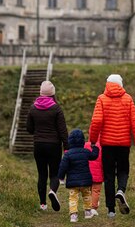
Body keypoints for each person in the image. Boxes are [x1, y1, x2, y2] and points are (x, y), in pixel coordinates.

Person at [88, 74, 135, 218]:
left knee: (109, 175)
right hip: (124, 144)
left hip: (107, 144)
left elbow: (96, 121)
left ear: (107, 84)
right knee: (123, 170)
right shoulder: (128, 99)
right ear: (121, 84)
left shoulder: (102, 99)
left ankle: (111, 210)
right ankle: (121, 191)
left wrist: (93, 140)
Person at [26, 80, 69, 211]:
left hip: (38, 145)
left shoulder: (33, 108)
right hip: (54, 146)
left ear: (41, 93)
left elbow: (29, 129)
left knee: (42, 174)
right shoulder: (56, 108)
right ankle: (52, 192)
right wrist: (66, 146)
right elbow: (62, 130)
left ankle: (43, 204)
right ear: (52, 94)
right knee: (54, 174)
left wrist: (38, 131)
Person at [57, 128, 99, 223]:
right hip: (85, 181)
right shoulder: (86, 152)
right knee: (87, 195)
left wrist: (61, 177)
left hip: (73, 182)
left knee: (73, 197)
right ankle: (88, 212)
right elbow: (94, 156)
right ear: (83, 141)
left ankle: (73, 215)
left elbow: (63, 166)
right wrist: (95, 147)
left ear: (70, 141)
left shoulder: (68, 154)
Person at [84, 140, 103, 216]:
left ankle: (87, 208)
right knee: (96, 191)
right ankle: (93, 208)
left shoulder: (85, 145)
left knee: (87, 191)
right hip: (98, 174)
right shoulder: (102, 146)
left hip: (87, 173)